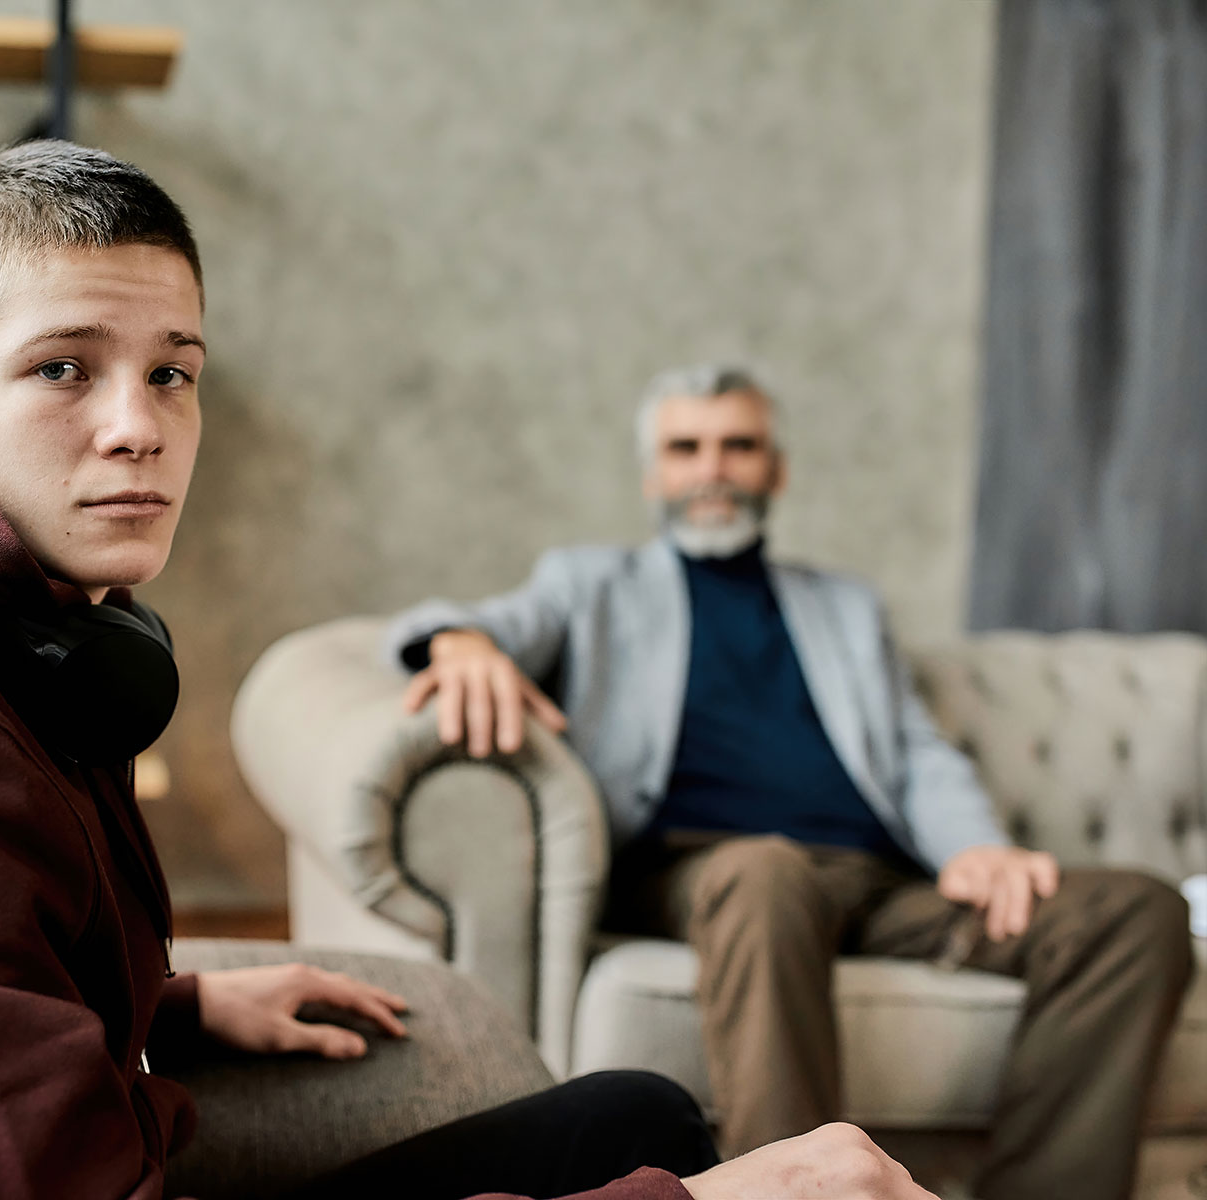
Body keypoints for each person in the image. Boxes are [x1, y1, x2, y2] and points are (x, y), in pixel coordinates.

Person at [0, 146, 931, 1200]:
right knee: (683, 1164)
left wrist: (171, 1003)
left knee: (637, 1114)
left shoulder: (17, 636)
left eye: (174, 372)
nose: (136, 427)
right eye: (63, 370)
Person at [385, 364, 1197, 1200]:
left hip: (875, 880)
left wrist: (977, 848)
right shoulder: (589, 583)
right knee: (765, 866)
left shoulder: (845, 606)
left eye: (739, 446)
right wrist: (461, 645)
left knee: (1134, 910)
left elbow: (915, 752)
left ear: (775, 468)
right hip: (704, 870)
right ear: (653, 474)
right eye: (686, 447)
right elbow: (459, 624)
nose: (712, 469)